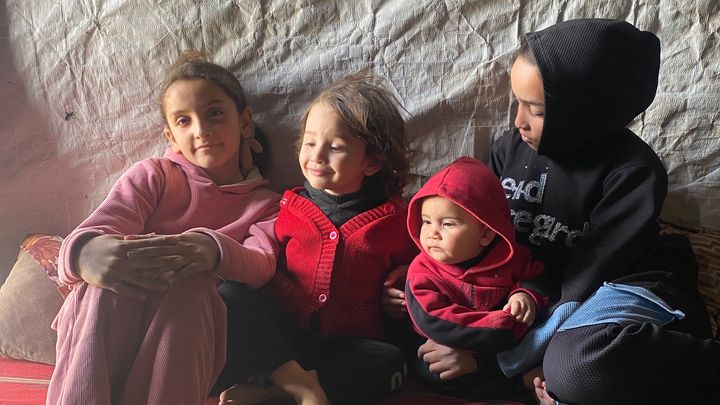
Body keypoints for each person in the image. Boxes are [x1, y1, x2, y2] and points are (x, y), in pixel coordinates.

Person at [420, 18, 720, 404]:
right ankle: (534, 381)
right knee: (430, 359)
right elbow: (472, 230)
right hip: (537, 289)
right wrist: (422, 272)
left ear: (587, 111)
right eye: (518, 103)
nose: (518, 121)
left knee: (576, 366)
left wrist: (491, 361)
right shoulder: (508, 150)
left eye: (536, 110)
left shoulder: (634, 173)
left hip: (618, 286)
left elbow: (581, 285)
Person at [46, 51, 281, 405]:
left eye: (215, 114)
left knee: (193, 281)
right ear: (171, 137)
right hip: (112, 323)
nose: (201, 130)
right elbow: (101, 226)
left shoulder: (267, 205)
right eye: (184, 121)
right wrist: (83, 254)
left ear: (245, 123)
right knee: (111, 269)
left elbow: (262, 265)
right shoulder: (154, 175)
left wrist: (212, 249)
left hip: (187, 338)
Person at [216, 70, 418, 404]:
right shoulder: (284, 207)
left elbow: (425, 269)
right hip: (283, 341)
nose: (317, 156)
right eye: (310, 142)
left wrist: (404, 284)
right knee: (230, 295)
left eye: (335, 147)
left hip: (348, 345)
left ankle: (276, 394)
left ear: (372, 162)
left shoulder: (398, 220)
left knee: (391, 363)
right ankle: (298, 386)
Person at [403, 156, 546, 399]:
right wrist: (501, 325)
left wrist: (525, 294)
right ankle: (520, 383)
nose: (432, 233)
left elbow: (537, 276)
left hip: (504, 345)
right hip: (449, 342)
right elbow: (436, 321)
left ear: (486, 234)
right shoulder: (422, 271)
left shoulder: (511, 257)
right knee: (430, 370)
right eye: (426, 221)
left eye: (447, 224)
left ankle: (524, 378)